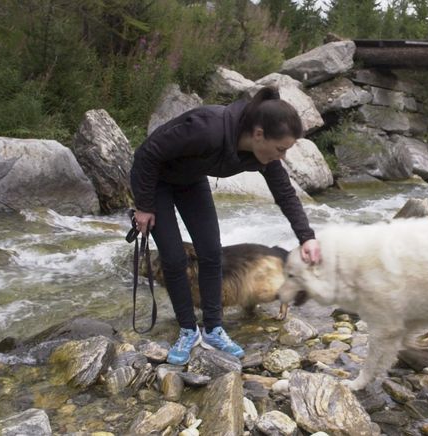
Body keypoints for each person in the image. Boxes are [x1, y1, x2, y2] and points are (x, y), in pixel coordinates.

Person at [130, 86, 321, 365]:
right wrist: (144, 205)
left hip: (190, 180)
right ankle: (187, 331)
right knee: (172, 258)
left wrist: (307, 238)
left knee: (211, 253)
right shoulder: (207, 128)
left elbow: (285, 193)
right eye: (280, 149)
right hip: (156, 180)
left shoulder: (261, 155)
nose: (282, 156)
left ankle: (212, 329)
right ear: (258, 134)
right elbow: (147, 154)